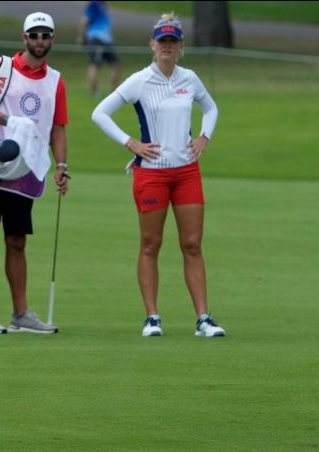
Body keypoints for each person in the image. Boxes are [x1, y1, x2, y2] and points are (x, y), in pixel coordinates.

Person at [90, 13, 226, 338]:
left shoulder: (189, 79)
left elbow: (211, 108)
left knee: (192, 244)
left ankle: (203, 319)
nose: (167, 47)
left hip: (187, 172)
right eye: (162, 41)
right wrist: (131, 143)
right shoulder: (139, 80)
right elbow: (100, 113)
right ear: (152, 44)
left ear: (180, 46)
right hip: (151, 174)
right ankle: (152, 317)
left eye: (172, 41)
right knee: (151, 245)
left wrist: (204, 136)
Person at [0, 12, 69, 335]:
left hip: (27, 171)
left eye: (45, 35)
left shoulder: (56, 80)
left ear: (52, 39)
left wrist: (62, 166)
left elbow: (58, 128)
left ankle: (21, 313)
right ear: (24, 38)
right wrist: (8, 122)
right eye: (34, 35)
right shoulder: (2, 67)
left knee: (17, 240)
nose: (40, 41)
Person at [79, 1, 121, 97]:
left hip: (106, 40)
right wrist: (82, 37)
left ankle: (113, 92)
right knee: (95, 65)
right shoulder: (93, 4)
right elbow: (85, 20)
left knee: (115, 64)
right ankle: (94, 92)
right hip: (96, 38)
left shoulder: (103, 5)